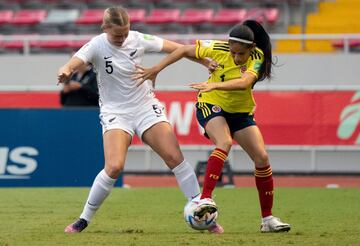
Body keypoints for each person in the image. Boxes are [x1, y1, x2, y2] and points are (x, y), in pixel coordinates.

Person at [57, 6, 223, 234]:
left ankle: (201, 210)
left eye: (126, 32)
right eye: (117, 34)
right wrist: (66, 70)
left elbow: (178, 48)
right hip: (116, 112)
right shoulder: (97, 44)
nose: (123, 37)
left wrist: (204, 61)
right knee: (114, 167)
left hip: (145, 107)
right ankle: (84, 219)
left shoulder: (139, 39)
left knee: (175, 157)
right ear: (105, 28)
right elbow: (76, 60)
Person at [134, 20, 291, 233]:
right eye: (232, 52)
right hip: (211, 104)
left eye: (240, 54)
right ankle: (205, 199)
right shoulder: (218, 48)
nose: (235, 57)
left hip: (240, 112)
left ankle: (268, 219)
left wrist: (215, 83)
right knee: (224, 141)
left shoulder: (257, 57)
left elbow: (244, 83)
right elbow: (184, 50)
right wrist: (156, 68)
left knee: (262, 158)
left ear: (251, 49)